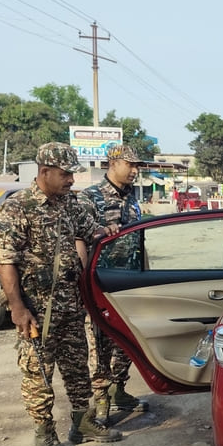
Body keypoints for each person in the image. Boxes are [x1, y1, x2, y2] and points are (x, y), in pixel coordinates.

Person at [0, 142, 123, 446]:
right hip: (38, 311)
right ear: (45, 172)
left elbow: (89, 229)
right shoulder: (18, 207)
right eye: (66, 174)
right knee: (38, 373)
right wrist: (18, 308)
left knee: (77, 368)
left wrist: (107, 230)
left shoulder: (70, 204)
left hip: (71, 305)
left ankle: (82, 424)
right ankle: (45, 433)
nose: (71, 180)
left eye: (72, 174)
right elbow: (6, 262)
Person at [79, 144, 149, 422]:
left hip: (128, 284)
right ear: (112, 163)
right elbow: (80, 242)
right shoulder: (90, 198)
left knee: (127, 340)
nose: (134, 171)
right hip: (100, 284)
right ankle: (101, 399)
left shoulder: (131, 198)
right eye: (129, 165)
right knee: (99, 343)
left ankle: (119, 389)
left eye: (136, 166)